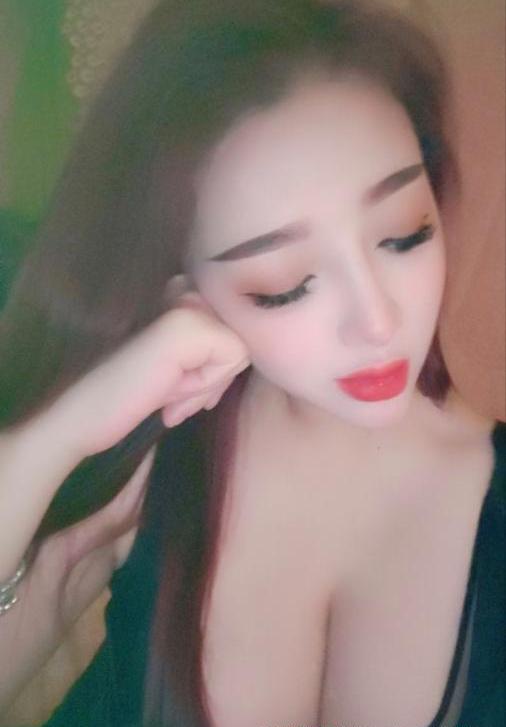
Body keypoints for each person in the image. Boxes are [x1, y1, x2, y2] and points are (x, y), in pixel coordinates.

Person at [0, 1, 504, 725]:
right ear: (187, 284)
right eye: (285, 284)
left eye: (403, 234)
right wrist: (54, 436)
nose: (379, 322)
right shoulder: (162, 450)